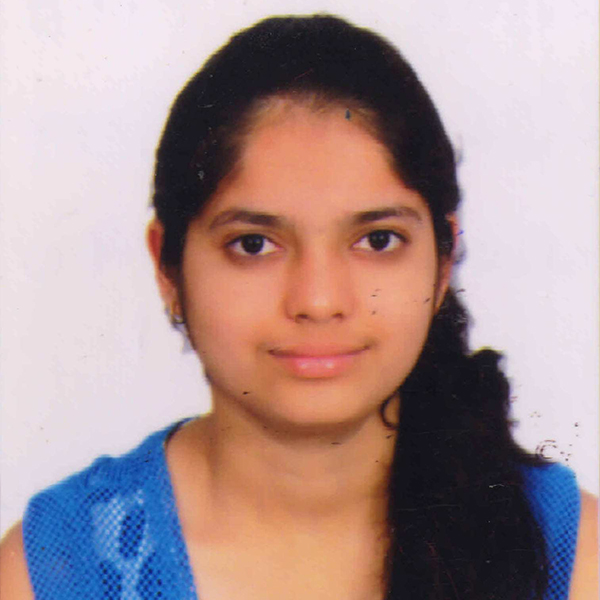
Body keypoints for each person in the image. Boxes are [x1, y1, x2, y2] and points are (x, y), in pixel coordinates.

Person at [0, 14, 596, 600]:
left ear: (443, 263)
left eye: (377, 240)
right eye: (253, 245)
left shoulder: (573, 560)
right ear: (168, 267)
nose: (318, 300)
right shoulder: (55, 573)